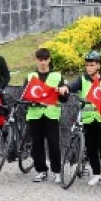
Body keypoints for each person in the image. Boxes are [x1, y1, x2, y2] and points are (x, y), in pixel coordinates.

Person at [58, 51, 101, 191]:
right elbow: (72, 86)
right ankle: (96, 173)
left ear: (99, 65)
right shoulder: (82, 79)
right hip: (88, 119)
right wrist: (65, 87)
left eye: (92, 65)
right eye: (87, 65)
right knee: (91, 148)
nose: (89, 67)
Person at [25, 48, 67, 183]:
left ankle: (57, 171)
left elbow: (64, 98)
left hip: (51, 115)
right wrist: (29, 102)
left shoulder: (57, 76)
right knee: (37, 144)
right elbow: (24, 96)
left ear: (49, 60)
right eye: (40, 60)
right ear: (36, 60)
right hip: (34, 114)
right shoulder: (31, 76)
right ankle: (41, 170)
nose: (42, 62)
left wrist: (62, 91)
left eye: (45, 59)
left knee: (54, 144)